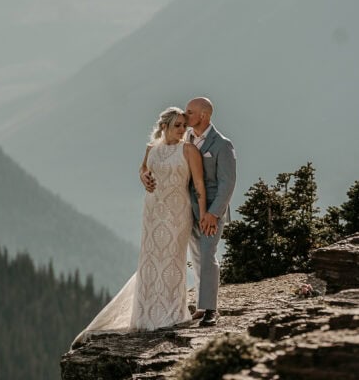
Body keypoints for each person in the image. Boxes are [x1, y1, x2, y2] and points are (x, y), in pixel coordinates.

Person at [72, 107, 207, 347]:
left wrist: (204, 213)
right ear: (164, 126)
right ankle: (147, 315)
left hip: (177, 212)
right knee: (151, 258)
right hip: (153, 212)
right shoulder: (151, 149)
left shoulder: (189, 150)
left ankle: (171, 312)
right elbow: (143, 169)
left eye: (184, 125)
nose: (182, 129)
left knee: (173, 259)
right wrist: (143, 177)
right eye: (177, 125)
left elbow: (198, 184)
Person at [179, 97, 236, 327]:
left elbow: (228, 183)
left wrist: (213, 213)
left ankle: (212, 309)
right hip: (189, 209)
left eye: (190, 112)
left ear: (204, 115)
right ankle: (202, 306)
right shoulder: (187, 138)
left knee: (207, 254)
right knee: (196, 256)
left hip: (211, 211)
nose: (185, 116)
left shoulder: (222, 144)